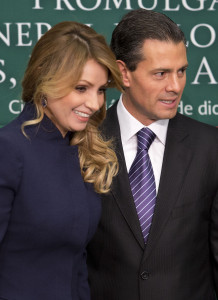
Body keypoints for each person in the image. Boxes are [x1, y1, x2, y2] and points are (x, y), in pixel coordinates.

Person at [87, 9, 218, 300]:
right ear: (124, 73)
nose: (175, 86)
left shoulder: (211, 148)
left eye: (181, 71)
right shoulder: (82, 143)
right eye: (161, 73)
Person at [0, 21, 122, 300]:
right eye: (81, 88)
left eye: (101, 90)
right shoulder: (8, 150)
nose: (94, 103)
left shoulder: (82, 152)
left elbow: (76, 263)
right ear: (45, 78)